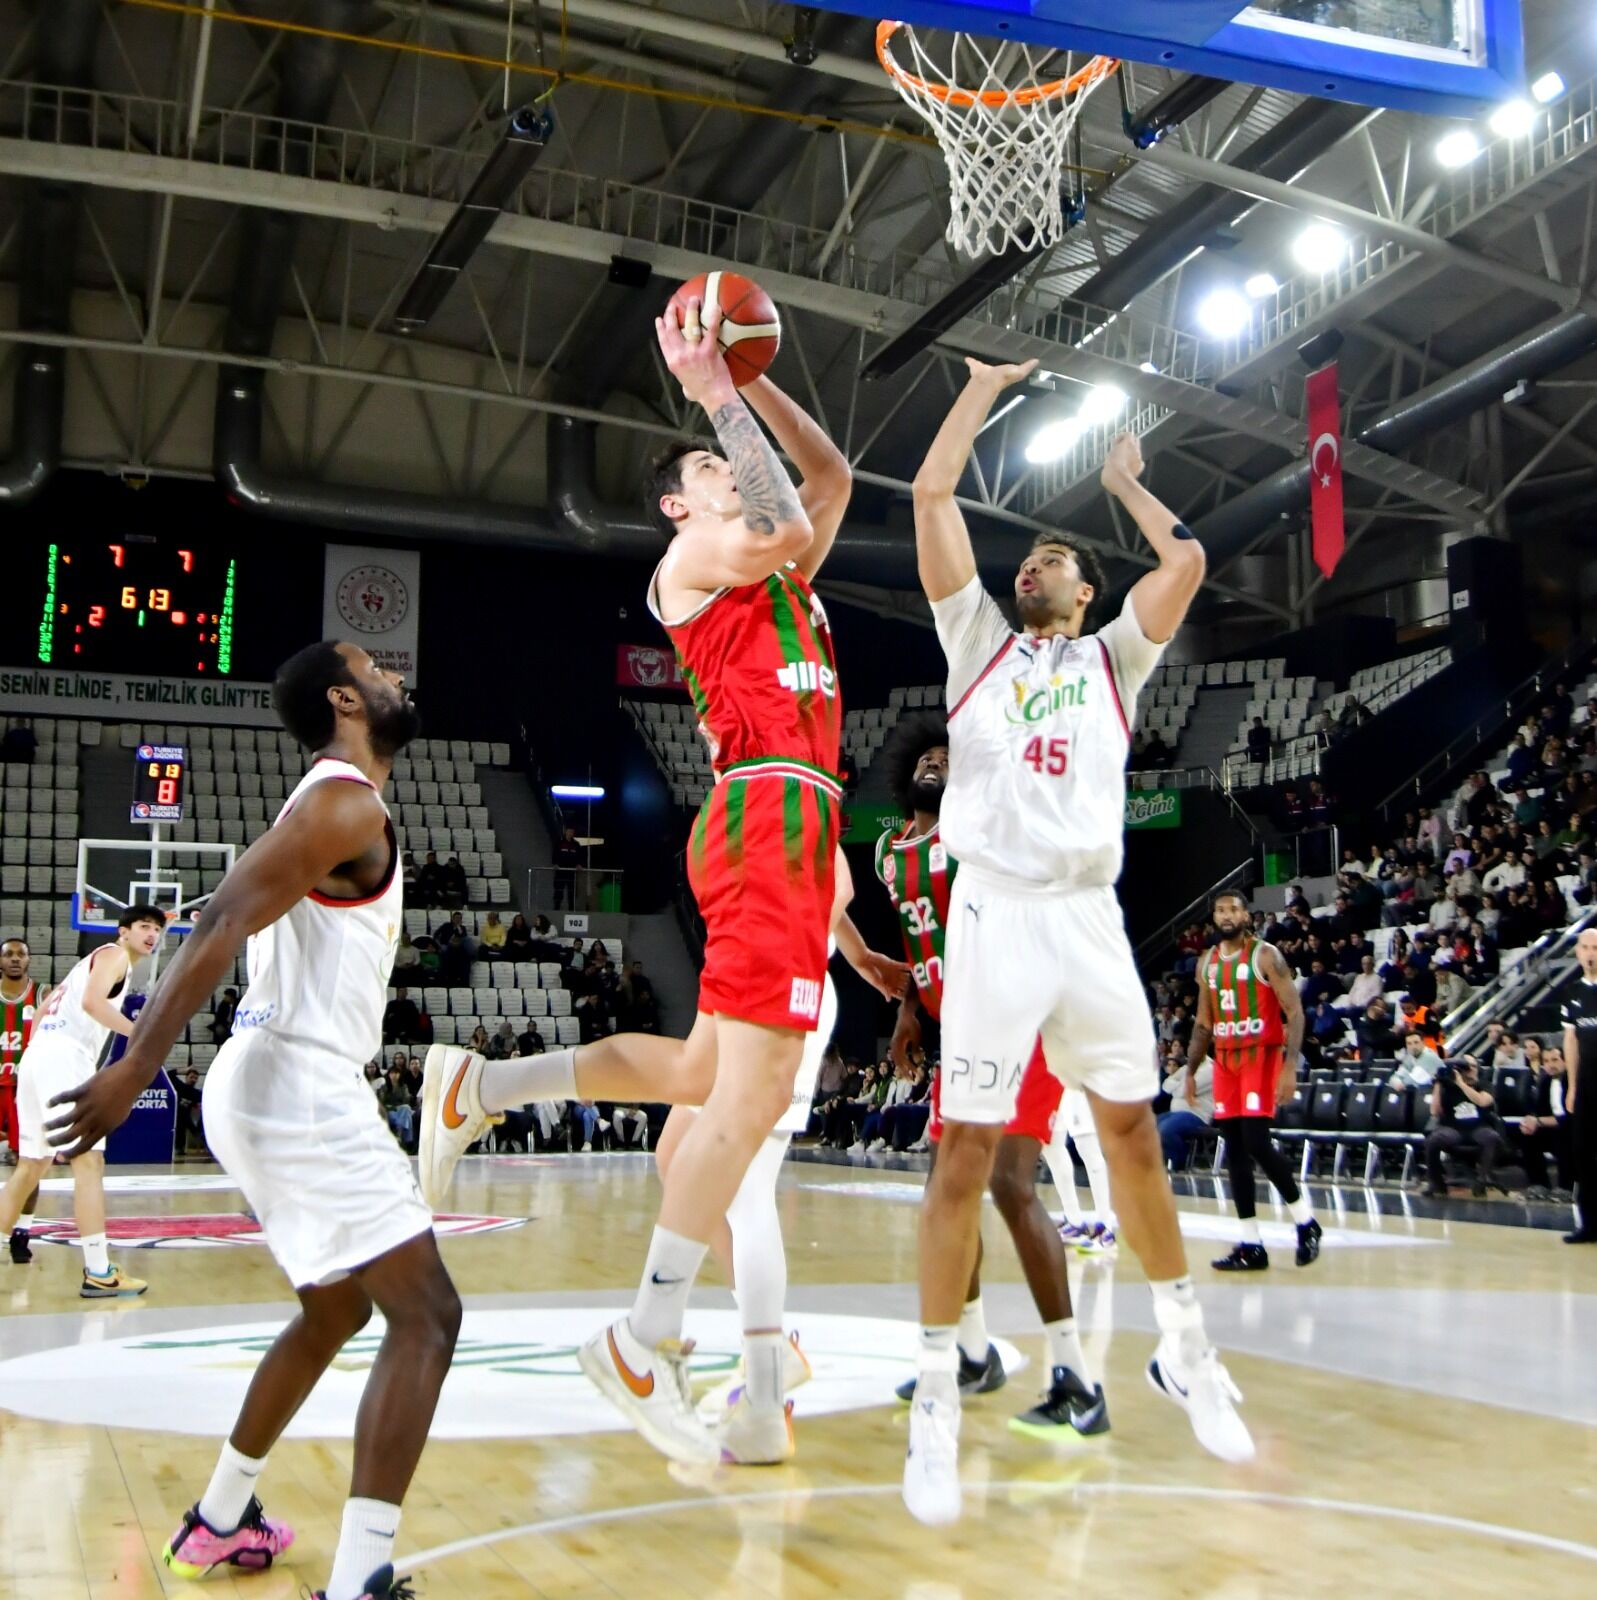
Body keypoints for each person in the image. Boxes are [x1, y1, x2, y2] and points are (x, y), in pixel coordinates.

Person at [421, 290, 855, 1470]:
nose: (731, 465)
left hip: (787, 820)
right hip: (768, 811)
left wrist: (751, 378)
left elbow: (830, 477)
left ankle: (482, 1084)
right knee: (749, 1104)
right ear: (678, 502)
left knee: (702, 1079)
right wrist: (713, 392)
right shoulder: (697, 556)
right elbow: (781, 509)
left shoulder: (778, 572)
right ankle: (642, 1336)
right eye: (711, 464)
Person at [899, 358, 1251, 1527]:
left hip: (1089, 915)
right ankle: (936, 1397)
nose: (1031, 566)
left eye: (1053, 558)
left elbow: (1185, 563)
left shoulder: (1114, 657)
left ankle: (1185, 1348)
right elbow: (932, 494)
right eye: (1028, 559)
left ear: (1088, 590)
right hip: (996, 911)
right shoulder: (976, 643)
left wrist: (1124, 484)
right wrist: (980, 388)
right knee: (964, 1155)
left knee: (1131, 1136)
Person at [44, 640, 457, 1600]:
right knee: (429, 1316)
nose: (397, 678)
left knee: (338, 1308)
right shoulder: (343, 804)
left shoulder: (334, 803)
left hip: (266, 1078)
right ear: (345, 699)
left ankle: (220, 1520)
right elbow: (220, 919)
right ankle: (359, 1583)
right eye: (377, 670)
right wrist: (133, 1066)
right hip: (300, 1082)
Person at [873, 710, 1108, 1436]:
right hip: (962, 1033)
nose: (936, 764)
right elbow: (919, 940)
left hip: (1022, 1020)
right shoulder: (889, 852)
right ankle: (973, 1354)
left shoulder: (981, 833)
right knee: (946, 1193)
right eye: (928, 757)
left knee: (1009, 1184)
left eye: (950, 759)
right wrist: (907, 1012)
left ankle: (1077, 1377)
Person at [0, 907, 163, 1296]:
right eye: (144, 926)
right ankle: (99, 1270)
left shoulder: (88, 963)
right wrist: (142, 1036)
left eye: (157, 929)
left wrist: (39, 1051)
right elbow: (92, 1004)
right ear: (123, 932)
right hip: (64, 1057)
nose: (152, 934)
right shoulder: (115, 955)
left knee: (31, 1165)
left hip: (37, 1058)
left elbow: (41, 1011)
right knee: (89, 1162)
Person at [1189, 891, 1321, 1272]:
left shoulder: (1265, 955)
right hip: (1225, 1060)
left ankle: (1306, 1222)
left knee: (1256, 1142)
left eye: (1233, 909)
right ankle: (1251, 1244)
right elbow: (1203, 1023)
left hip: (1260, 1057)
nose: (1226, 915)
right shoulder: (1207, 962)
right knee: (1234, 1148)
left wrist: (1290, 1066)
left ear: (1246, 915)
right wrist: (1191, 1070)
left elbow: (1294, 1012)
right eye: (1220, 910)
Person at [2, 937, 42, 1257]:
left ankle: (22, 1232)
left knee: (29, 1162)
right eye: (9, 954)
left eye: (21, 954)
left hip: (24, 1091)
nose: (15, 959)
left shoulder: (43, 995)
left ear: (29, 960)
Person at [1560, 927, 1597, 1243]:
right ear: (1577, 952)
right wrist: (1572, 1086)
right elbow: (1570, 1041)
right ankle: (1588, 1224)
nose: (1590, 954)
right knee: (1582, 1152)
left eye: (1595, 948)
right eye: (1585, 948)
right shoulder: (1572, 992)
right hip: (1585, 1084)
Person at [1422, 1057, 1506, 1197]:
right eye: (1466, 1067)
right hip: (1453, 1128)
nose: (1470, 1070)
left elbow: (1482, 1101)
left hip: (1478, 1127)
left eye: (1473, 1066)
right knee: (1433, 1140)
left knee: (1492, 1138)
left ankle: (1482, 1181)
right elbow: (1434, 1112)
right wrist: (1438, 1085)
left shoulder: (1484, 1085)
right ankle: (1436, 1183)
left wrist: (1461, 1084)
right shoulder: (1448, 1086)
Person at [1158, 1055, 1213, 1171]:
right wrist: (1179, 1086)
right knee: (1147, 1126)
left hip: (1196, 1115)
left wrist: (1177, 1087)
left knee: (1166, 1129)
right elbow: (1166, 1084)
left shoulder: (1210, 1069)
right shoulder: (1187, 1067)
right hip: (1175, 1113)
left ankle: (1178, 1166)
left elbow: (1185, 1091)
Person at [553, 826, 581, 911]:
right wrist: (555, 864)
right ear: (566, 832)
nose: (570, 833)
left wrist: (579, 864)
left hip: (571, 872)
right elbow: (555, 854)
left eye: (572, 831)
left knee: (571, 892)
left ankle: (571, 909)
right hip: (560, 871)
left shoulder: (576, 844)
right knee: (558, 891)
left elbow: (579, 857)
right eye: (569, 831)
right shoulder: (559, 842)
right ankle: (556, 908)